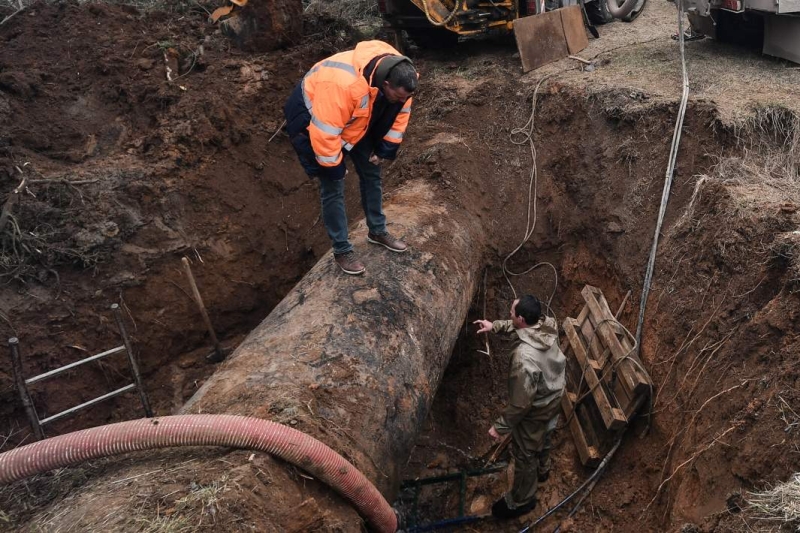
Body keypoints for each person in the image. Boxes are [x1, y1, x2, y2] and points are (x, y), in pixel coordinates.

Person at [283, 40, 418, 275]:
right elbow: (324, 133)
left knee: (371, 172)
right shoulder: (342, 85)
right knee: (333, 185)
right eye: (395, 96)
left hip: (356, 117)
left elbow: (400, 113)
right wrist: (334, 167)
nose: (399, 100)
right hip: (315, 122)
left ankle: (377, 230)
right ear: (385, 84)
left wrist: (385, 147)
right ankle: (342, 249)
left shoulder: (402, 77)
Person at [474, 295, 566, 519]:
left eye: (512, 313)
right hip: (554, 394)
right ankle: (544, 470)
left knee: (525, 454)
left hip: (536, 408)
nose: (509, 314)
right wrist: (494, 326)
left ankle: (523, 500)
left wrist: (500, 427)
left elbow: (521, 403)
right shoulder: (547, 323)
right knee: (545, 433)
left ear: (522, 318)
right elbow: (521, 328)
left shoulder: (524, 359)